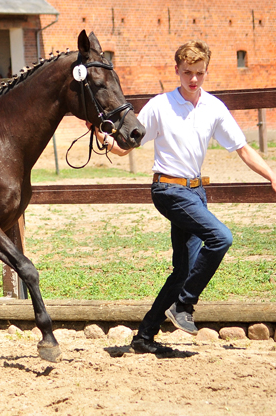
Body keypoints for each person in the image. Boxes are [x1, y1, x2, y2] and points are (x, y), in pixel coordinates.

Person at [91, 40, 276, 354]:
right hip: (168, 190)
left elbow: (242, 148)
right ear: (177, 70)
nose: (193, 79)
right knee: (221, 237)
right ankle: (184, 306)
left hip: (195, 192)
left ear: (206, 72)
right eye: (187, 72)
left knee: (184, 269)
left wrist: (272, 175)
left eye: (199, 73)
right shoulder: (160, 106)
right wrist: (107, 141)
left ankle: (144, 336)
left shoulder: (213, 107)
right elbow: (127, 148)